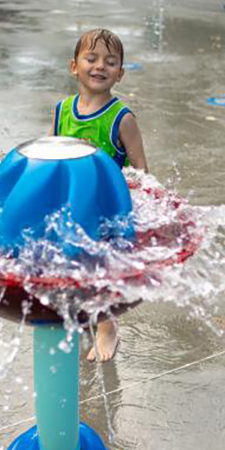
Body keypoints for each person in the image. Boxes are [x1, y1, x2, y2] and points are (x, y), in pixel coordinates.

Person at [51, 29, 148, 362]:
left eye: (110, 61)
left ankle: (107, 327)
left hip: (106, 208)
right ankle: (80, 313)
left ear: (119, 73)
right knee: (69, 261)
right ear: (74, 66)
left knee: (101, 269)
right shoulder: (62, 110)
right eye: (91, 58)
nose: (99, 66)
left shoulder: (122, 119)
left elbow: (141, 171)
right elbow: (53, 157)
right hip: (70, 202)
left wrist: (139, 208)